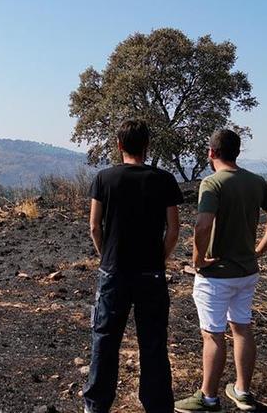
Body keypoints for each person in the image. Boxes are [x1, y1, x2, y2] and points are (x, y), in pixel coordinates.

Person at [174, 129, 267, 413]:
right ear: (237, 152)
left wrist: (198, 259)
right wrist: (259, 250)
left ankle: (208, 398)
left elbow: (202, 225)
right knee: (242, 327)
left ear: (211, 153)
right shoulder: (256, 181)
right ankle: (242, 392)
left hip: (216, 276)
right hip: (247, 272)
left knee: (212, 334)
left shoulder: (212, 184)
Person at [83, 119, 183, 413]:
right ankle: (157, 406)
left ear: (118, 145)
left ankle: (96, 405)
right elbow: (174, 229)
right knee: (153, 342)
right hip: (150, 273)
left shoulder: (104, 179)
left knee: (105, 339)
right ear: (147, 146)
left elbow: (93, 227)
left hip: (114, 271)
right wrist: (160, 258)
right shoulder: (164, 179)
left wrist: (106, 256)